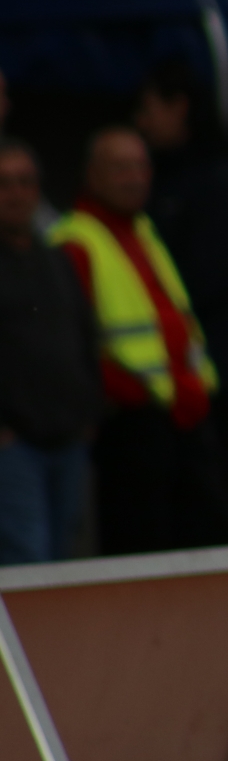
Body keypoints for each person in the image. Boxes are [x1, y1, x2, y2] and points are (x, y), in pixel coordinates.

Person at [51, 127, 228, 555]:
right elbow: (73, 344)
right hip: (129, 420)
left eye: (141, 166)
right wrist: (121, 393)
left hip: (181, 410)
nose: (135, 178)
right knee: (143, 546)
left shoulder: (142, 228)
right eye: (121, 168)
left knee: (212, 535)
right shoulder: (74, 239)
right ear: (92, 175)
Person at [131, 58, 228, 515]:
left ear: (179, 107)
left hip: (210, 376)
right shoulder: (161, 180)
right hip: (164, 379)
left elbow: (212, 277)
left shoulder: (216, 180)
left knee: (211, 499)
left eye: (148, 110)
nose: (142, 123)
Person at [0, 139, 101, 565]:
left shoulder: (57, 258)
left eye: (26, 182)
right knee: (28, 559)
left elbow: (85, 334)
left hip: (68, 439)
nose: (17, 193)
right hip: (14, 446)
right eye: (5, 183)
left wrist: (89, 412)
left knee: (63, 563)